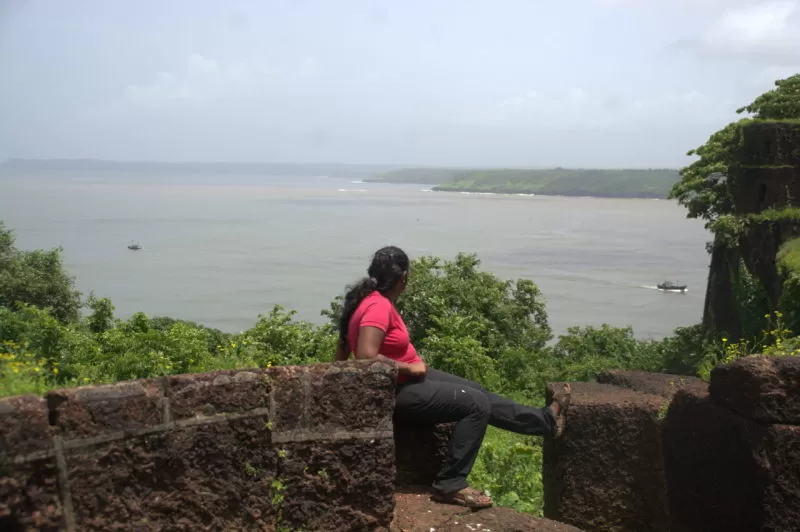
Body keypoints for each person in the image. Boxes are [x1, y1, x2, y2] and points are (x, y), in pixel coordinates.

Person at [334, 245, 571, 509]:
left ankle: (544, 421)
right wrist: (409, 368)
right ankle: (451, 483)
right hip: (395, 390)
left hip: (402, 382)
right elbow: (366, 356)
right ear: (404, 278)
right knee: (474, 404)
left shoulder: (368, 300)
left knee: (475, 390)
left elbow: (343, 349)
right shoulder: (378, 306)